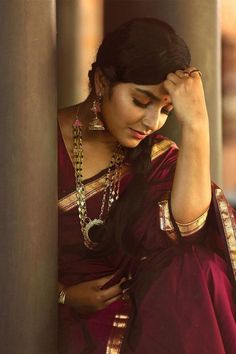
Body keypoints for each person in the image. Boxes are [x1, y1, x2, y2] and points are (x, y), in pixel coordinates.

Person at [57, 18, 236, 354]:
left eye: (167, 110)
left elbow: (187, 229)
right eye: (141, 102)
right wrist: (61, 295)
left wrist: (197, 123)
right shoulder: (36, 144)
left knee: (198, 267)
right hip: (49, 316)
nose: (151, 123)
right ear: (101, 82)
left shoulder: (155, 157)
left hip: (148, 315)